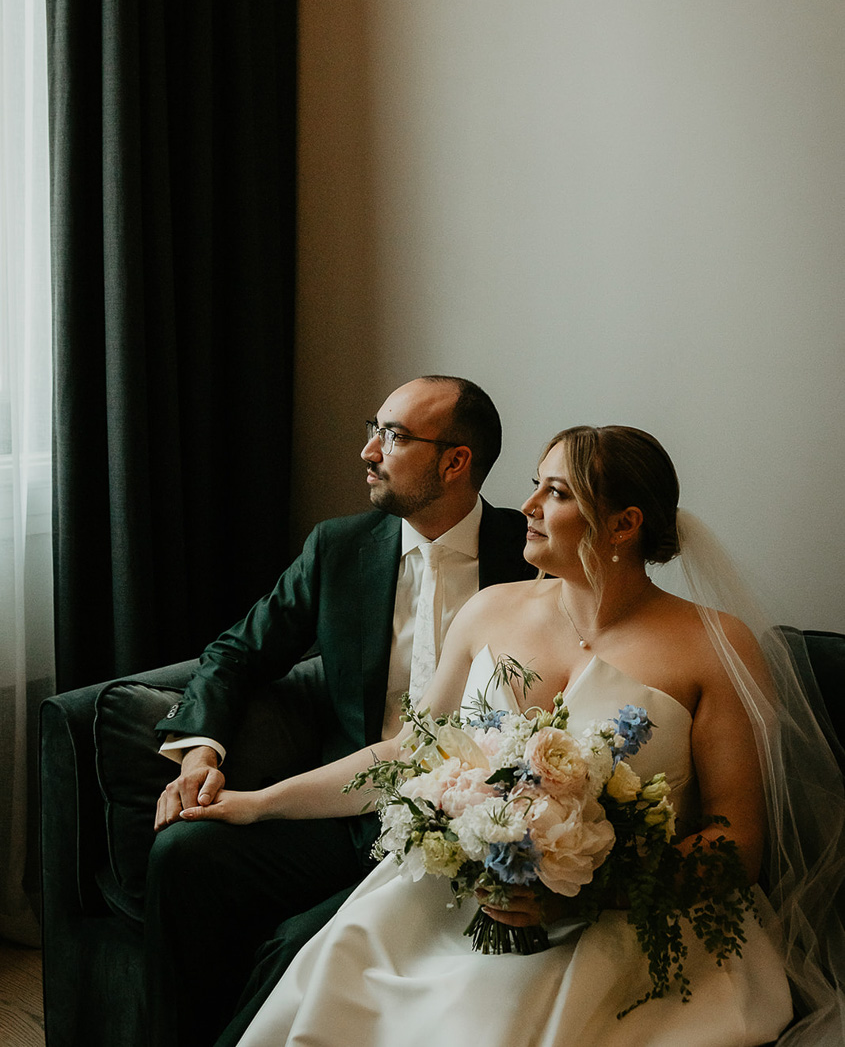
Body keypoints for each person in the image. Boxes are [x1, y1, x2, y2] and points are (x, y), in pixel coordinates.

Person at [178, 424, 845, 1047]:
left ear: (623, 523)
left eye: (554, 491)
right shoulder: (489, 610)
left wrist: (588, 889)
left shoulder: (713, 643)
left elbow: (739, 841)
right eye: (534, 482)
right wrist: (259, 800)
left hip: (631, 920)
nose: (525, 504)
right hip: (462, 902)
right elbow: (409, 753)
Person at [144, 375, 534, 1047]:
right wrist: (201, 748)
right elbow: (236, 652)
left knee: (296, 947)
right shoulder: (337, 549)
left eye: (393, 435)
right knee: (181, 852)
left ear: (455, 460)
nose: (367, 451)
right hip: (339, 808)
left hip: (467, 829)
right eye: (372, 426)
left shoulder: (527, 557)